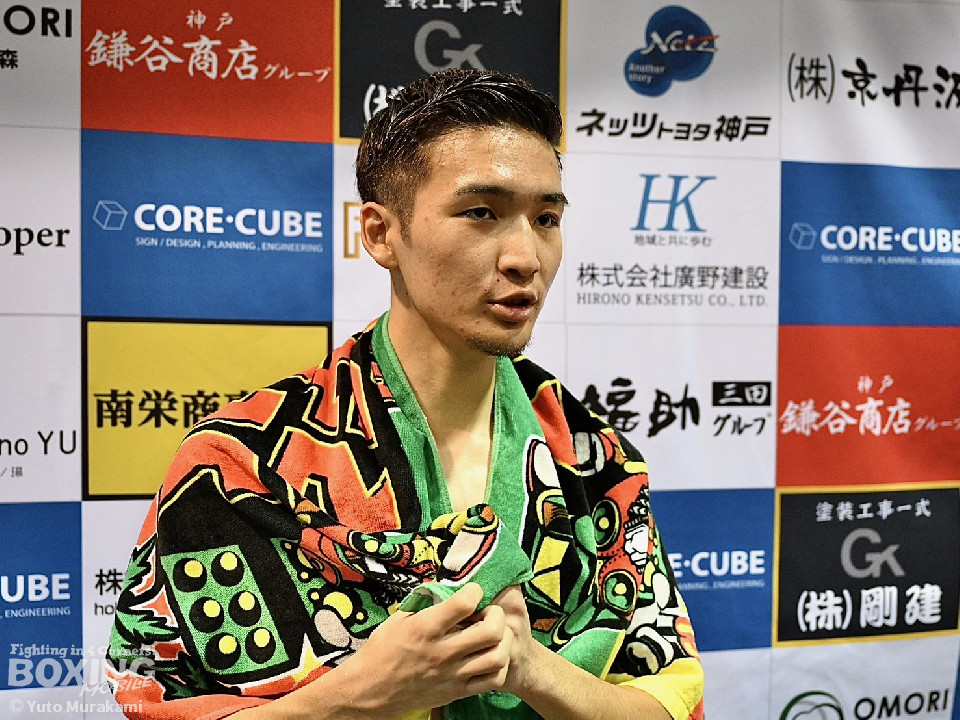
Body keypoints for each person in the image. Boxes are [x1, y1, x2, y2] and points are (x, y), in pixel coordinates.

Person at [106, 68, 704, 720]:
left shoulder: (593, 461)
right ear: (380, 234)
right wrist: (361, 695)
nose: (525, 257)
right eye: (481, 213)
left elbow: (667, 699)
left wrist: (533, 668)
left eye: (546, 218)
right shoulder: (241, 464)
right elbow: (157, 703)